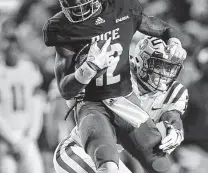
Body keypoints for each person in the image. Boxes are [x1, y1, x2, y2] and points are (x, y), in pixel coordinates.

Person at [42, 0, 187, 172]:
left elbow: (163, 28)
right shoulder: (62, 28)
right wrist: (88, 69)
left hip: (124, 100)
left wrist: (174, 41)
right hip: (91, 104)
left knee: (162, 167)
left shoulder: (122, 6)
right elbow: (65, 89)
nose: (75, 3)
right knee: (108, 166)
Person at [53, 36, 188, 173]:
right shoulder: (117, 75)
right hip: (78, 150)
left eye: (169, 68)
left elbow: (172, 116)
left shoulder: (173, 93)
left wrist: (175, 130)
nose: (165, 74)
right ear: (141, 61)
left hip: (109, 158)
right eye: (159, 65)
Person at [0, 33, 45, 173]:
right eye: (8, 48)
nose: (12, 52)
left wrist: (31, 135)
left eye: (14, 48)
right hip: (5, 138)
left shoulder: (29, 68)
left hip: (27, 135)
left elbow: (37, 104)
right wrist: (11, 140)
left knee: (36, 169)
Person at [175, 46, 208, 173]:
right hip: (196, 155)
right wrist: (179, 152)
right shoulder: (190, 90)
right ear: (201, 66)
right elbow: (175, 122)